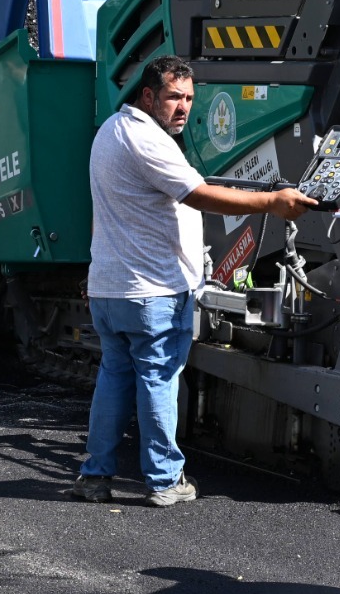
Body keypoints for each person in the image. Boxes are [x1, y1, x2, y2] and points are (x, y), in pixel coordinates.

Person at [66, 56, 313, 507]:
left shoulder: (110, 131)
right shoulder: (148, 140)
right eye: (173, 97)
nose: (183, 107)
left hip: (110, 287)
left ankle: (95, 476)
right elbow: (199, 195)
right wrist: (272, 202)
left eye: (189, 98)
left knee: (114, 379)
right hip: (152, 291)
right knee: (158, 380)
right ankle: (164, 481)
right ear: (147, 96)